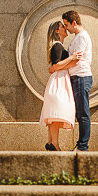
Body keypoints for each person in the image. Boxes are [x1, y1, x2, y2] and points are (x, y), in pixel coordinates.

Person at [39, 20, 83, 151]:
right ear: (57, 31)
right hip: (59, 81)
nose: (65, 28)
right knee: (55, 114)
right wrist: (72, 58)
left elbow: (55, 66)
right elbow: (57, 66)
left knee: (55, 114)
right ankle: (55, 144)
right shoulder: (57, 46)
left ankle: (51, 142)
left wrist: (70, 63)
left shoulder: (58, 46)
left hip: (59, 79)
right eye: (62, 27)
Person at [62, 10, 92, 151]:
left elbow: (76, 61)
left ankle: (82, 147)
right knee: (80, 113)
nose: (65, 27)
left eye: (66, 24)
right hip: (77, 78)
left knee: (83, 113)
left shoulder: (82, 37)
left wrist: (58, 67)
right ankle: (81, 145)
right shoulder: (78, 37)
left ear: (74, 23)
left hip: (81, 77)